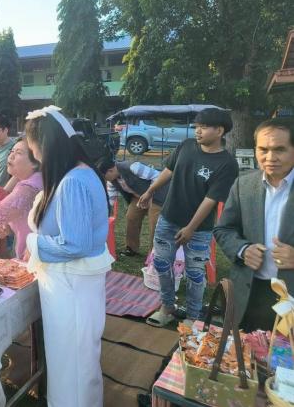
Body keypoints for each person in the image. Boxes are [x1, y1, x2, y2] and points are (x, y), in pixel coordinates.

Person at [23, 105, 113, 407]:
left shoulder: (73, 181)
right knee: (74, 357)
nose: (33, 153)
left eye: (32, 146)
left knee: (71, 357)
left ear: (45, 145)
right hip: (71, 281)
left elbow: (76, 244)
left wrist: (34, 243)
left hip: (71, 283)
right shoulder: (79, 173)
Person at [140, 108, 239, 327]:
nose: (198, 131)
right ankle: (167, 306)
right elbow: (169, 171)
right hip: (168, 219)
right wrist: (150, 191)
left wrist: (191, 228)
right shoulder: (186, 146)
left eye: (204, 127)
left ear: (219, 131)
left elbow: (211, 200)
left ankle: (193, 316)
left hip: (199, 229)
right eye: (197, 127)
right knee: (161, 264)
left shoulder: (227, 164)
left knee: (195, 273)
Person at [214, 118, 294, 331]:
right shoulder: (244, 184)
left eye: (279, 149)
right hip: (249, 292)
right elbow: (224, 229)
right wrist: (242, 250)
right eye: (263, 149)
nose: (270, 157)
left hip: (291, 295)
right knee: (247, 348)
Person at [98, 158, 168, 256]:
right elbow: (110, 200)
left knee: (155, 223)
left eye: (104, 176)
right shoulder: (112, 181)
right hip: (139, 197)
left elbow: (157, 176)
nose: (104, 180)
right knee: (131, 216)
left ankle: (154, 254)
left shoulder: (133, 167)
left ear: (110, 170)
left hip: (157, 195)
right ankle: (131, 248)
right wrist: (101, 215)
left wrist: (150, 193)